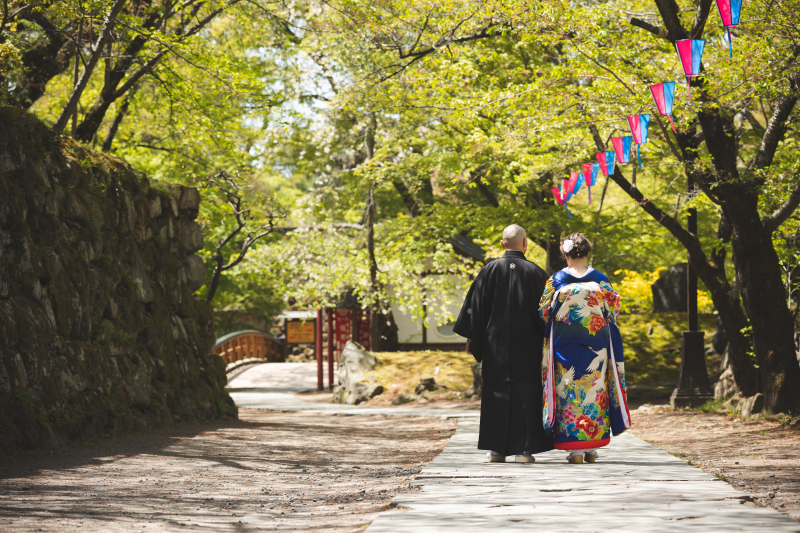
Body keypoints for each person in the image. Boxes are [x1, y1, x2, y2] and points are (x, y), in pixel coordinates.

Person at [453, 224, 554, 463]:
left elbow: (474, 308)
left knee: (495, 391)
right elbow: (548, 313)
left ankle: (496, 450)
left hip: (494, 344)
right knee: (527, 393)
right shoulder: (538, 273)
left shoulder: (488, 271)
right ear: (525, 243)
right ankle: (525, 450)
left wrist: (472, 337)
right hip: (528, 346)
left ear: (502, 244)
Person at [539, 233, 631, 464]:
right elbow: (614, 310)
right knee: (595, 389)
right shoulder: (599, 279)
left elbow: (543, 311)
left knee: (568, 393)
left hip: (564, 346)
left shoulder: (557, 280)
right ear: (587, 253)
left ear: (565, 254)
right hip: (596, 345)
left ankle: (575, 450)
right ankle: (591, 447)